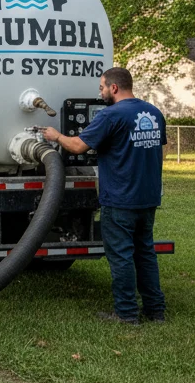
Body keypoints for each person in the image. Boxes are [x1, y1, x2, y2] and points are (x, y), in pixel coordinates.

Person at [41, 67, 167, 325]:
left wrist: (56, 136)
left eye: (101, 88)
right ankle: (155, 311)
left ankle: (126, 313)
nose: (100, 93)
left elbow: (78, 146)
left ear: (114, 87)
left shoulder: (111, 115)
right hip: (148, 197)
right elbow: (157, 149)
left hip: (120, 199)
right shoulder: (153, 112)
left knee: (121, 256)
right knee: (145, 253)